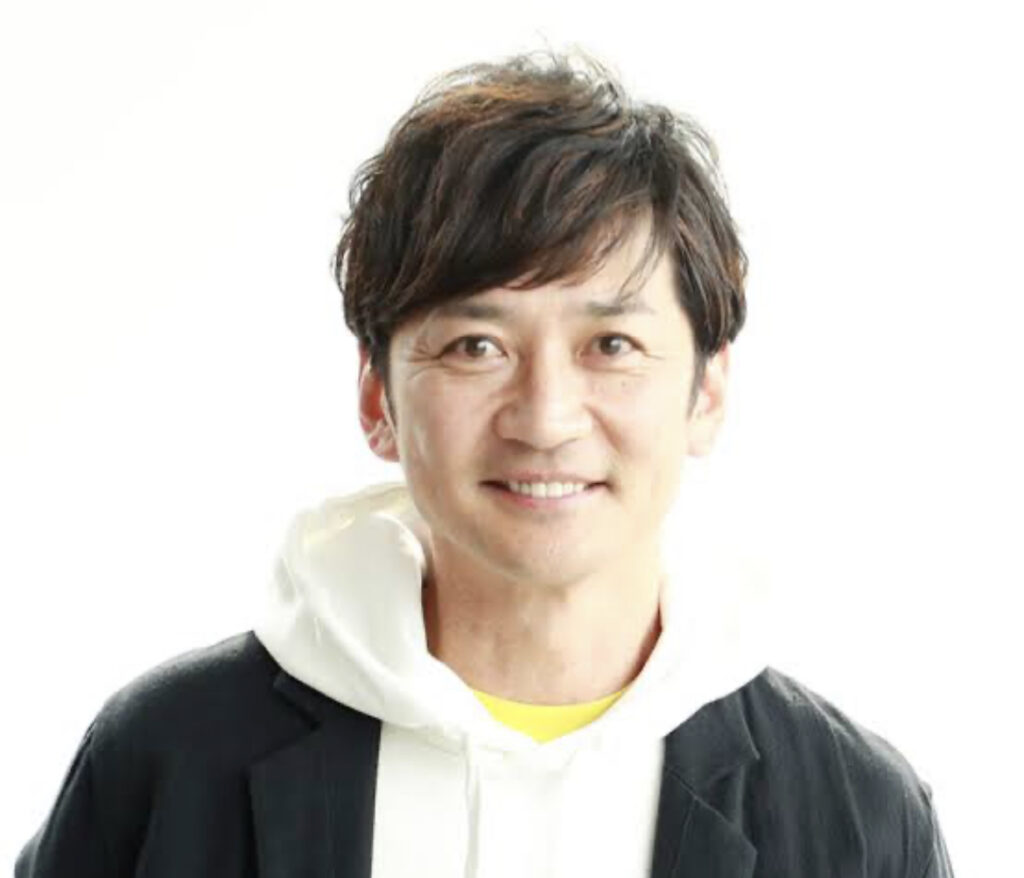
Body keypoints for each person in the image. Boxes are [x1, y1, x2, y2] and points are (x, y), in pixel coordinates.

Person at [16, 49, 954, 877]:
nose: (546, 419)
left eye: (612, 345)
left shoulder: (856, 817)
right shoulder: (167, 762)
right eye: (476, 346)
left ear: (706, 391)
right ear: (378, 397)